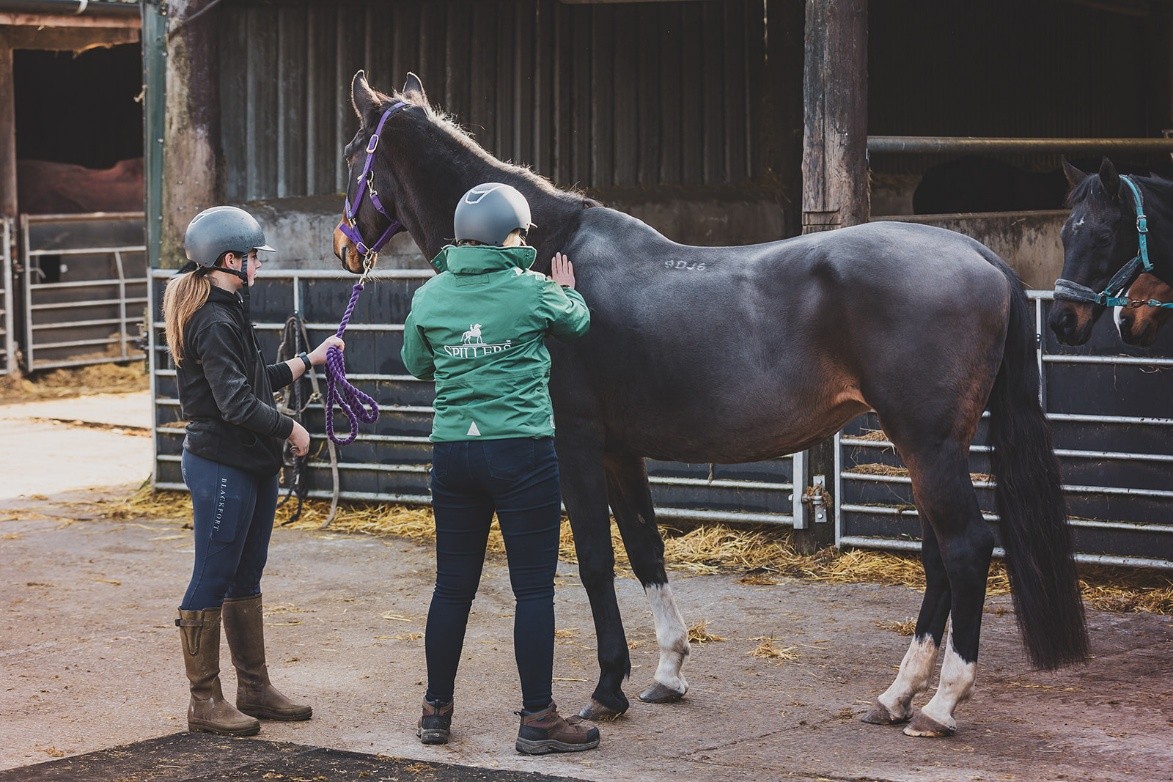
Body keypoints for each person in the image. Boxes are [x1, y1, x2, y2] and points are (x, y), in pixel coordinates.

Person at [401, 182, 597, 754]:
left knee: (452, 587)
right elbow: (578, 324)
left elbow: (417, 364)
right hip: (521, 451)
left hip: (452, 454)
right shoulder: (533, 289)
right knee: (533, 589)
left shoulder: (430, 295)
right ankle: (537, 718)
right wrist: (567, 289)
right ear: (510, 235)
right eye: (521, 232)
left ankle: (435, 712)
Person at [162, 205, 344, 736]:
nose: (259, 264)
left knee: (246, 574)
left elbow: (252, 382)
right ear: (229, 259)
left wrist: (308, 361)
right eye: (252, 257)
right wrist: (291, 428)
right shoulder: (214, 319)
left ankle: (254, 688)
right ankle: (204, 701)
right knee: (212, 576)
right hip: (222, 462)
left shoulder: (229, 306)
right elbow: (236, 405)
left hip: (249, 463)